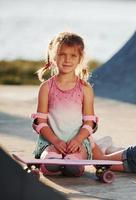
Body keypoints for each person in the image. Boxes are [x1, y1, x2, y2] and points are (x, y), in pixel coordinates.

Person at [31, 32, 99, 177]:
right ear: (53, 56)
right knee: (51, 164)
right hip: (51, 141)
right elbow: (40, 122)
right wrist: (55, 141)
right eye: (62, 54)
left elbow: (90, 122)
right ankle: (51, 160)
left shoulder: (85, 89)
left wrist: (78, 140)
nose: (67, 59)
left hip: (78, 142)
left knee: (72, 168)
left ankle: (74, 161)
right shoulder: (46, 87)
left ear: (80, 58)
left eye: (73, 55)